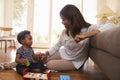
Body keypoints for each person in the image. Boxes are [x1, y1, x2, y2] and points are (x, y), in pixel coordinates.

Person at [40, 4, 115, 71]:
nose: (62, 22)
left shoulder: (87, 29)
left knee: (49, 64)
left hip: (75, 61)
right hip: (64, 53)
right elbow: (58, 45)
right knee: (45, 59)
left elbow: (111, 26)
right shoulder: (64, 32)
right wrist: (47, 53)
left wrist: (85, 35)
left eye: (64, 19)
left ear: (72, 18)